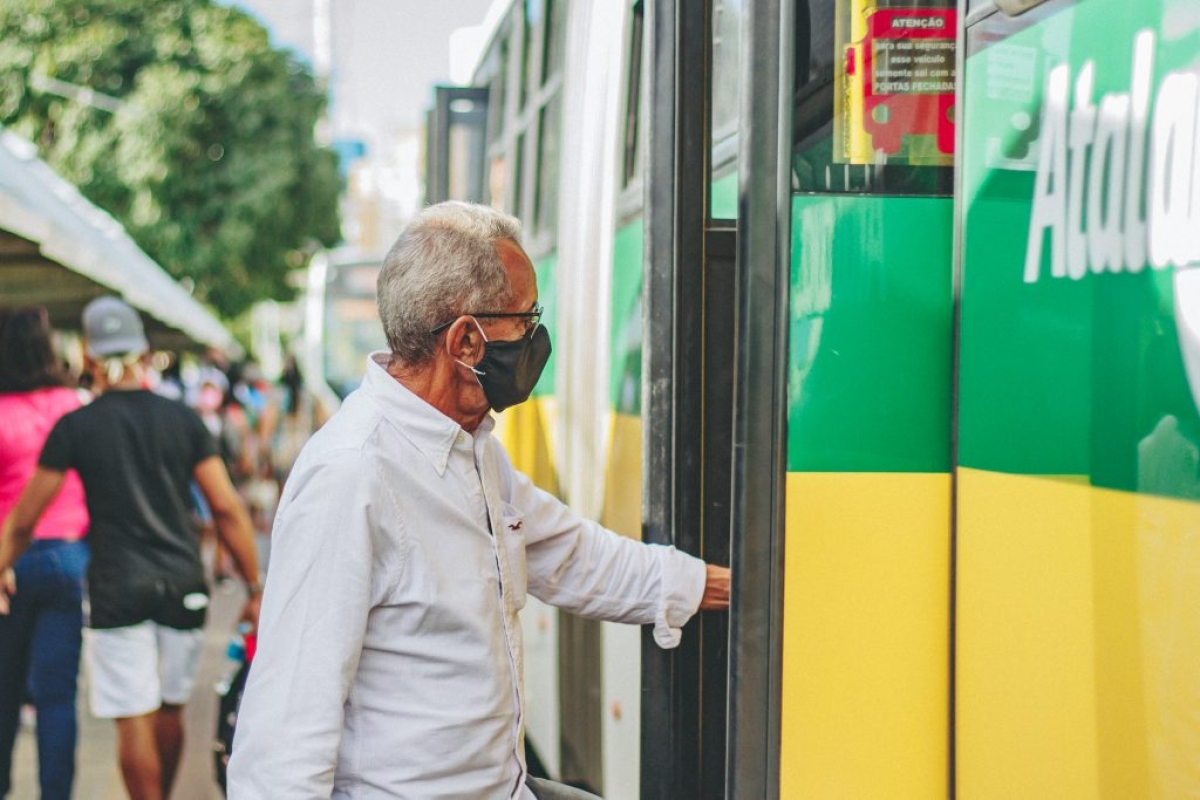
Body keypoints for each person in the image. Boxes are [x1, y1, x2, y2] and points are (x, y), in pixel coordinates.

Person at [227, 202, 732, 799]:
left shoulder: (472, 450)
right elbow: (284, 736)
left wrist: (727, 588)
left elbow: (574, 556)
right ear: (466, 340)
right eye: (527, 319)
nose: (536, 340)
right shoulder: (351, 475)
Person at [0, 296, 263, 800]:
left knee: (132, 716)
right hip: (183, 582)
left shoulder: (76, 426)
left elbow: (24, 519)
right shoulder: (183, 420)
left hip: (117, 586)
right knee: (170, 709)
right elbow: (226, 508)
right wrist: (253, 585)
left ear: (92, 359)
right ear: (144, 354)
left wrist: (4, 564)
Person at [0, 308, 90, 800]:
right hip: (68, 561)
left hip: (8, 565)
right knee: (58, 697)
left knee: (5, 694)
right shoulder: (73, 405)